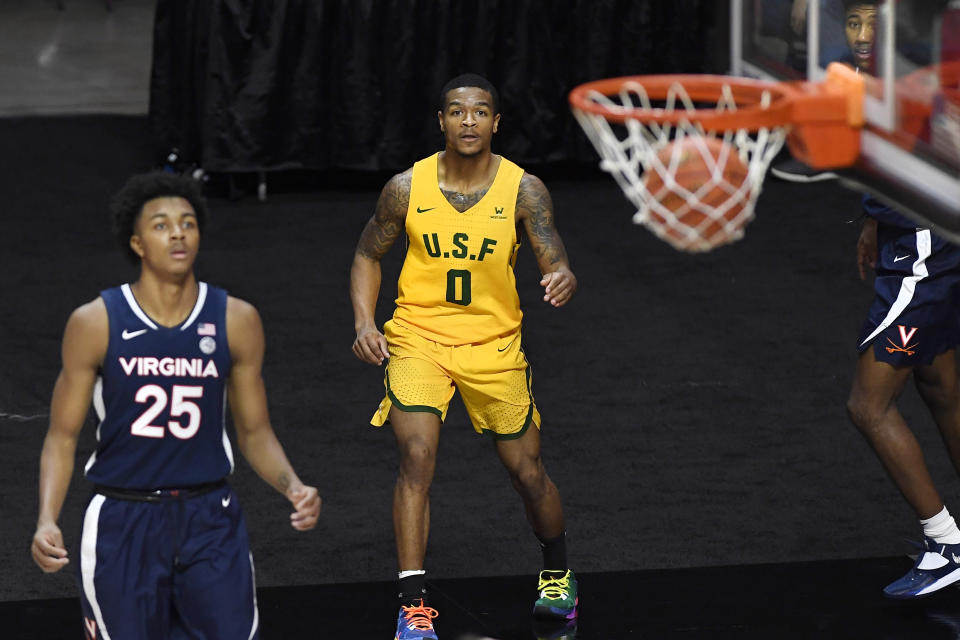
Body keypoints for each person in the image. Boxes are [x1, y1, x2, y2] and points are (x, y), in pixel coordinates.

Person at [30, 172, 321, 639]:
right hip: (123, 518)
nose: (178, 233)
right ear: (138, 243)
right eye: (162, 225)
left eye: (187, 222)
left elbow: (253, 431)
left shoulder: (236, 319)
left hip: (210, 515)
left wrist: (293, 486)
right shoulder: (95, 322)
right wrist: (47, 519)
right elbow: (61, 437)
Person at [350, 73, 578, 639]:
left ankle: (557, 569)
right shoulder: (406, 188)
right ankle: (412, 605)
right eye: (457, 112)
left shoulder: (524, 190)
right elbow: (365, 255)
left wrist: (562, 275)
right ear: (442, 122)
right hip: (418, 338)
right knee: (417, 455)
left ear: (496, 123)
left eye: (480, 112)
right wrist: (363, 321)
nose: (469, 121)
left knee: (527, 473)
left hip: (493, 346)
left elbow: (554, 255)